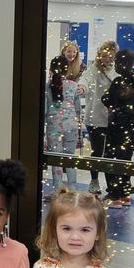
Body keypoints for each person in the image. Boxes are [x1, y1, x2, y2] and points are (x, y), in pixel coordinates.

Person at [102, 49, 134, 206]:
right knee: (125, 156)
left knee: (113, 156)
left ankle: (115, 194)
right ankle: (124, 192)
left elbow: (107, 99)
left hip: (120, 124)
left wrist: (116, 105)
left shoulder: (121, 81)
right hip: (132, 124)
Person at [78, 40, 117, 196]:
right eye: (105, 55)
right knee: (97, 152)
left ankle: (111, 185)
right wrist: (81, 87)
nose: (108, 58)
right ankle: (94, 181)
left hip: (112, 118)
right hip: (95, 117)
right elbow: (85, 80)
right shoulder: (93, 69)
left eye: (111, 55)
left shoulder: (117, 70)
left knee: (110, 153)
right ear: (100, 55)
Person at [44, 55, 81, 194]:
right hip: (71, 125)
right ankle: (72, 188)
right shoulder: (73, 85)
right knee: (70, 157)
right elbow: (77, 108)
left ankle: (58, 189)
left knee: (56, 158)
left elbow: (45, 108)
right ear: (67, 69)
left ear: (51, 69)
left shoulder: (47, 87)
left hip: (54, 127)